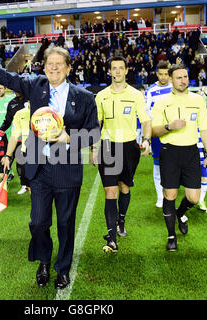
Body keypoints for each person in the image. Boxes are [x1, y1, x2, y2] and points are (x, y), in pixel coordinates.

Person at [0, 37, 100, 290]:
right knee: (38, 222)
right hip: (39, 168)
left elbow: (94, 132)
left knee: (65, 224)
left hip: (67, 170)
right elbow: (6, 76)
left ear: (68, 68)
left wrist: (69, 137)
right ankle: (43, 261)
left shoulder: (84, 97)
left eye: (59, 64)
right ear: (43, 67)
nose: (53, 68)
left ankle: (62, 269)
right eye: (49, 64)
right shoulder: (35, 86)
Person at [151, 64, 207, 251]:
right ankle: (171, 237)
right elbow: (153, 131)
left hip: (191, 153)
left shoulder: (198, 100)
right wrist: (169, 126)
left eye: (185, 77)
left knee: (193, 198)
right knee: (169, 195)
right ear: (171, 79)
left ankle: (179, 213)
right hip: (169, 152)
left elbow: (205, 129)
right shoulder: (161, 101)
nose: (183, 80)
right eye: (178, 77)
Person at [92, 57, 151, 253]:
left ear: (126, 71)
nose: (117, 72)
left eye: (121, 68)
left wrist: (147, 140)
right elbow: (96, 124)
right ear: (109, 71)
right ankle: (112, 237)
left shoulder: (136, 95)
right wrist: (94, 148)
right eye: (114, 68)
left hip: (129, 147)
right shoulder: (100, 96)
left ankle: (121, 220)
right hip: (108, 147)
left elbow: (145, 121)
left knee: (124, 187)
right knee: (111, 191)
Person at [144, 60, 172, 208]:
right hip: (157, 133)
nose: (163, 77)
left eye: (166, 74)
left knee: (174, 164)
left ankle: (170, 193)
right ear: (156, 73)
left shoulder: (175, 88)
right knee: (157, 165)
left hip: (174, 132)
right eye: (161, 74)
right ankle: (160, 197)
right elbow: (146, 114)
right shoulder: (150, 91)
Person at [0, 91, 30, 194]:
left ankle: (25, 185)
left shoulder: (31, 102)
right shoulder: (12, 105)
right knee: (11, 161)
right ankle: (3, 184)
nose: (16, 91)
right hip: (16, 138)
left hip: (31, 142)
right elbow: (7, 121)